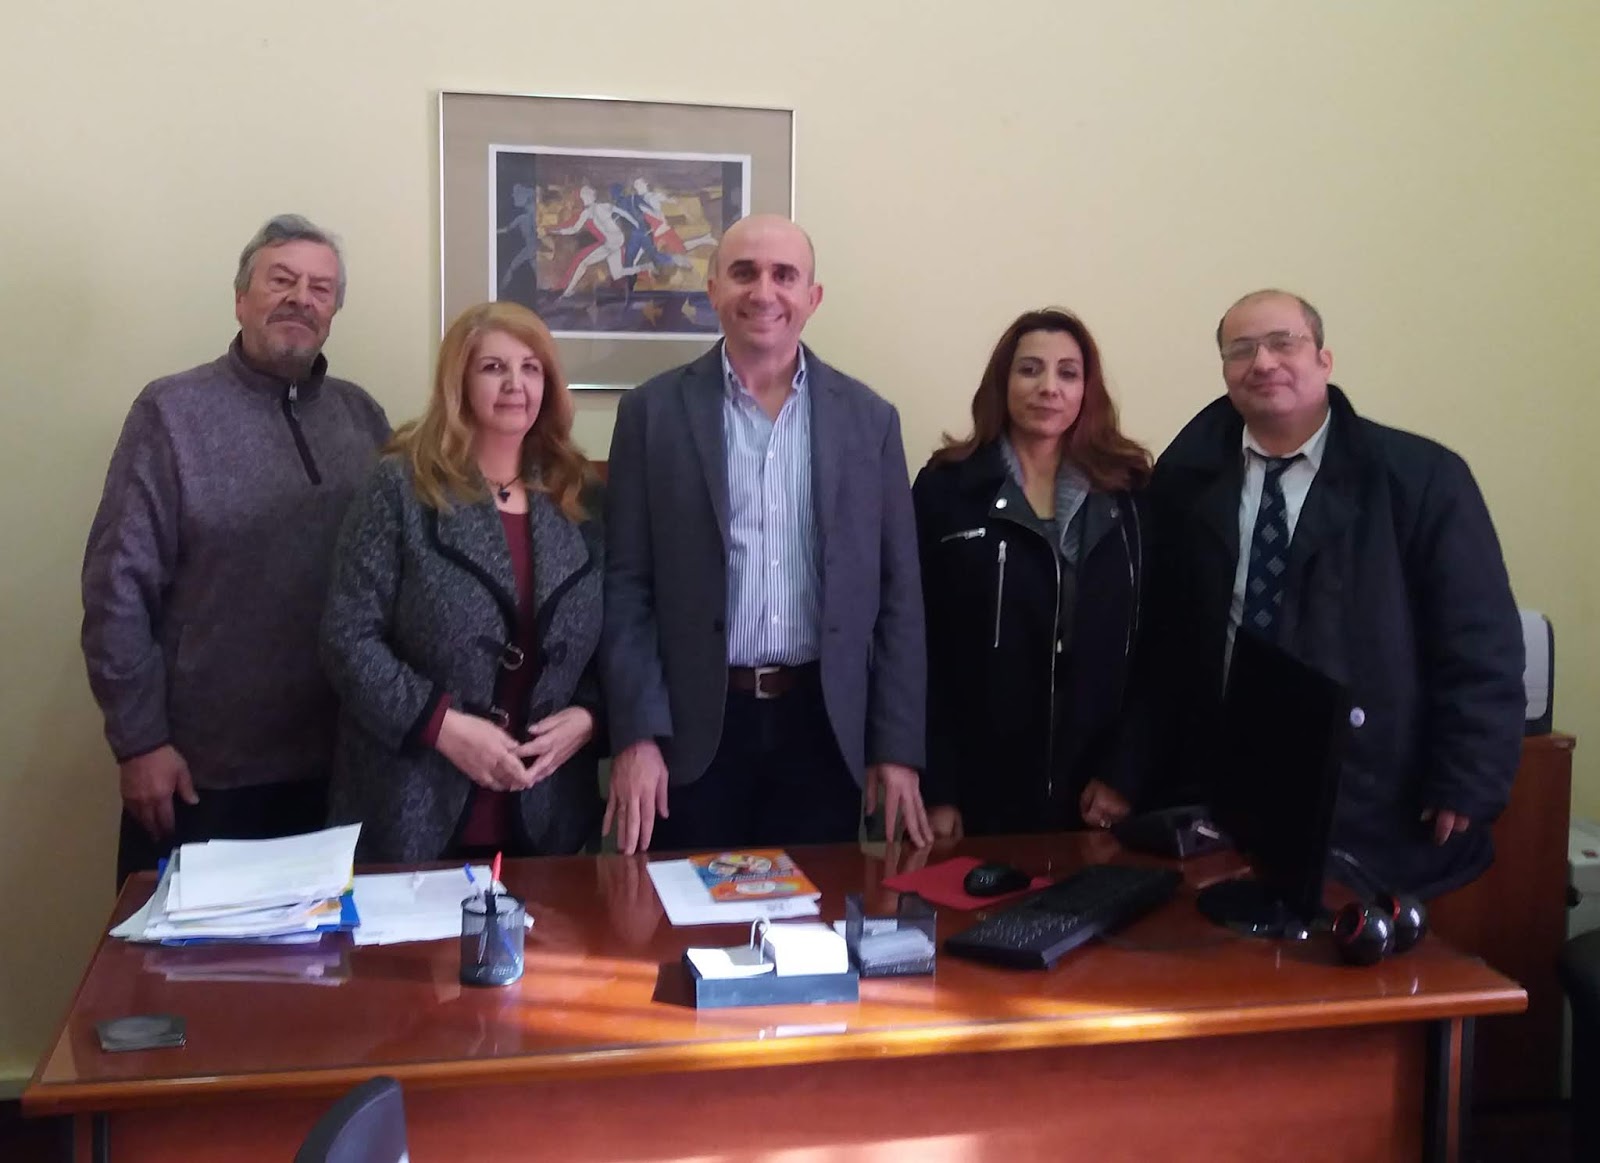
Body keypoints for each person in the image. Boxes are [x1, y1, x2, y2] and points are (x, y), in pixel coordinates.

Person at [1146, 288, 1525, 897]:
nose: (1263, 362)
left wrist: (1468, 775)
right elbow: (1161, 637)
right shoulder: (1184, 480)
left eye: (1283, 343)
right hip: (1222, 783)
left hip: (1370, 785)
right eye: (1241, 350)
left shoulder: (1420, 477)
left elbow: (1479, 641)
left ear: (1324, 359)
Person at [601, 214, 932, 853]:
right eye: (744, 273)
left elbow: (899, 597)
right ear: (713, 289)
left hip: (822, 728)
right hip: (691, 732)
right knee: (680, 909)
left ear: (813, 296)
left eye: (784, 275)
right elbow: (626, 588)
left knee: (817, 909)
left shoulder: (870, 421)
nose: (764, 292)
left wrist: (895, 747)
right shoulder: (651, 414)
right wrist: (637, 735)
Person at [81, 214, 390, 888]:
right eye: (281, 280)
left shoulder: (363, 418)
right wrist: (139, 742)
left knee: (331, 956)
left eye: (320, 288)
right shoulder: (170, 413)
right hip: (202, 776)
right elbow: (116, 591)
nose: (300, 299)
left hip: (341, 770)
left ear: (333, 311)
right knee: (193, 957)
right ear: (241, 298)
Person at [320, 302, 604, 864]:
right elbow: (347, 638)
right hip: (413, 804)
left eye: (530, 368)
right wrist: (440, 725)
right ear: (459, 383)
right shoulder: (400, 487)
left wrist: (593, 716)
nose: (515, 384)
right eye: (494, 368)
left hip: (547, 813)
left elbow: (617, 634)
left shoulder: (579, 494)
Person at [913, 308, 1154, 840]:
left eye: (1068, 373)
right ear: (1002, 382)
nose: (1049, 387)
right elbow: (916, 647)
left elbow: (1158, 649)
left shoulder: (1131, 494)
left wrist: (1124, 773)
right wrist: (938, 787)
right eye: (1030, 370)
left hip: (1095, 792)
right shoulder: (946, 489)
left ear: (1087, 390)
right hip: (976, 788)